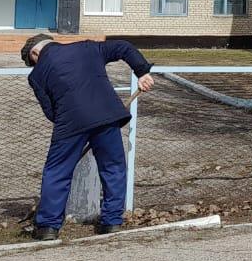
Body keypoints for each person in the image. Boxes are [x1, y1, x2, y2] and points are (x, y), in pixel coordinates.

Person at [21, 33, 155, 240]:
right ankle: (111, 222)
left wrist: (74, 124)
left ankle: (48, 227)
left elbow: (50, 112)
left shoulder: (36, 75)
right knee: (113, 168)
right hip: (106, 116)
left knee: (57, 172)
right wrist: (143, 72)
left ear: (35, 52)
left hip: (69, 124)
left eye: (32, 62)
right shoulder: (88, 47)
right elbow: (123, 47)